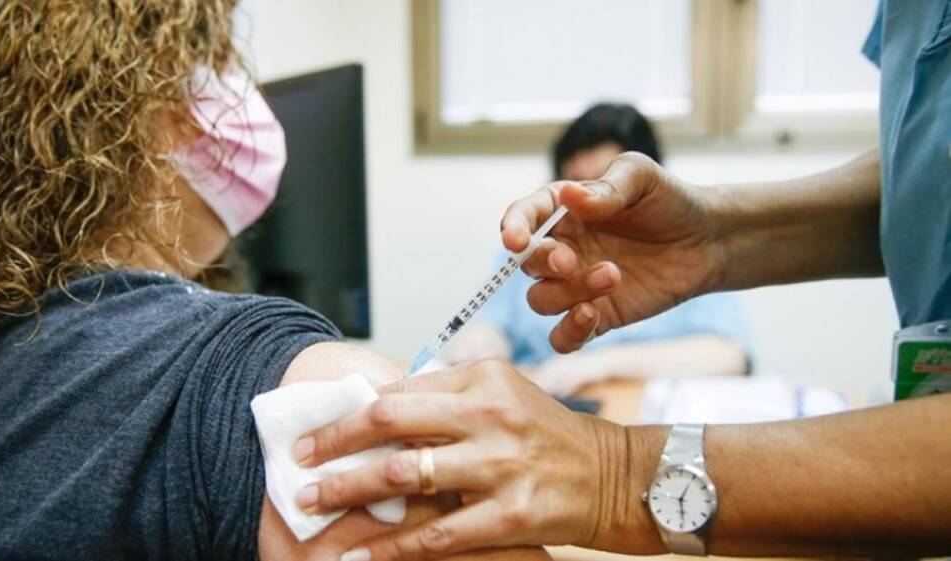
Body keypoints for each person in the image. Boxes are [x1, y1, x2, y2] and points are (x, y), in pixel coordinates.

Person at [289, 4, 951, 558]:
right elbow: (922, 181)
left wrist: (613, 472)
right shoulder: (543, 254)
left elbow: (726, 352)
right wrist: (714, 239)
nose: (589, 208)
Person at [0, 3, 551, 561]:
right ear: (146, 106)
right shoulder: (303, 390)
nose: (238, 97)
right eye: (213, 63)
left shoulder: (3, 340)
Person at [443, 104, 749, 396]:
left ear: (652, 189)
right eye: (575, 186)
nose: (588, 207)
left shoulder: (682, 245)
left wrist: (603, 365)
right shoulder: (535, 250)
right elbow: (492, 326)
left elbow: (727, 355)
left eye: (603, 186)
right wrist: (480, 343)